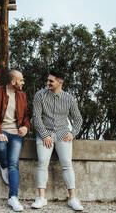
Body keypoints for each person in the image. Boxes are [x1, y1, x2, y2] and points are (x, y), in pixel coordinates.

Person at [31, 70, 84, 211]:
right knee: (42, 163)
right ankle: (41, 198)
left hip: (63, 133)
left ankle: (72, 198)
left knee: (67, 164)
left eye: (51, 81)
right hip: (45, 133)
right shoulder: (40, 96)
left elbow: (78, 119)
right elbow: (36, 118)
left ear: (60, 82)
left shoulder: (69, 98)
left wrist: (73, 133)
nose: (47, 83)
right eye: (47, 80)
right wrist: (44, 135)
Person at [0, 69, 30, 212]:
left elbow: (26, 116)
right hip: (1, 130)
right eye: (21, 80)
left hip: (16, 134)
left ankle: (13, 198)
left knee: (14, 164)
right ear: (13, 82)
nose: (23, 82)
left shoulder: (22, 95)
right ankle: (3, 165)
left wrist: (25, 126)